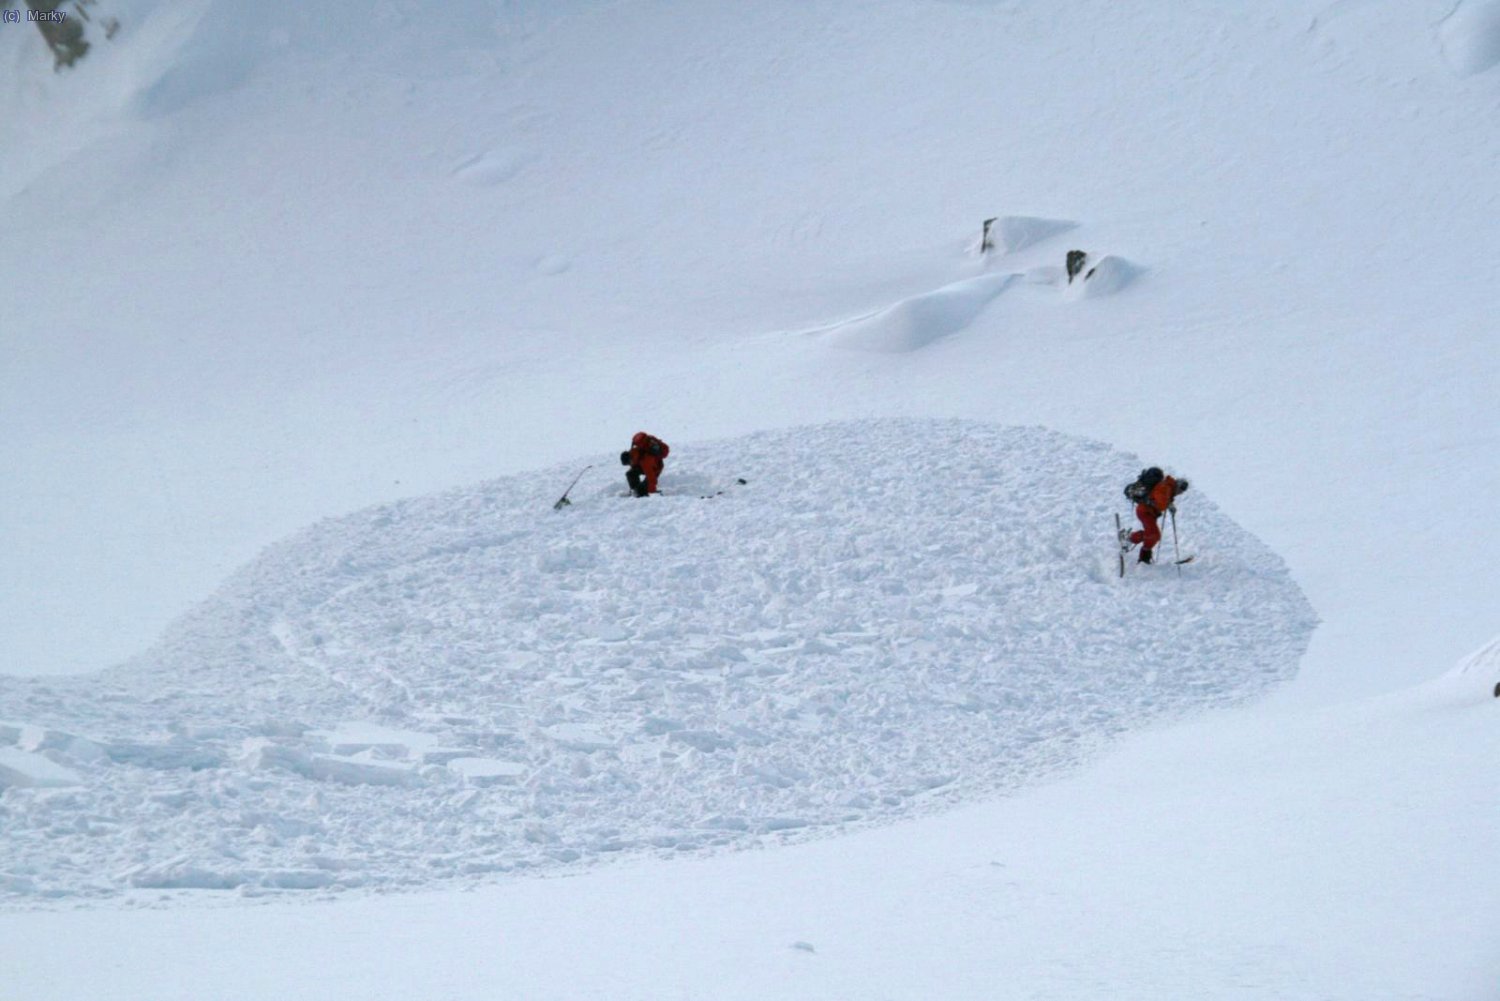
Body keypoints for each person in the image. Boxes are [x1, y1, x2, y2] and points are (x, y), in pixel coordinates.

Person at [1122, 466, 1189, 564]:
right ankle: (1130, 539)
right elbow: (1160, 501)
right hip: (1145, 512)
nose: (1180, 493)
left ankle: (1143, 555)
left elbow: (1158, 498)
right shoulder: (1165, 487)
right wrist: (1169, 505)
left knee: (1153, 535)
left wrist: (1169, 504)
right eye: (1181, 491)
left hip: (1149, 513)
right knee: (1154, 535)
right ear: (1178, 486)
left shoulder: (1168, 488)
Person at [620, 431, 669, 497]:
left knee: (642, 489)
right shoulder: (634, 453)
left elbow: (651, 477)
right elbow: (634, 467)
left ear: (630, 459)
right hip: (645, 465)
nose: (629, 465)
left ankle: (641, 494)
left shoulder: (644, 460)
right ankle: (635, 492)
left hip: (656, 468)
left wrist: (652, 491)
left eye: (629, 463)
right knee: (630, 473)